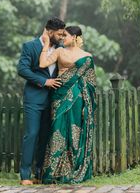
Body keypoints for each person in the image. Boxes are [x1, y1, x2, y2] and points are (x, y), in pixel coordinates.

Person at [39, 25, 97, 184]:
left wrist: (85, 99)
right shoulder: (59, 51)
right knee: (57, 129)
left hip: (77, 97)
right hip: (59, 95)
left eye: (66, 36)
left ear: (75, 38)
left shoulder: (87, 57)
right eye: (62, 36)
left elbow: (91, 83)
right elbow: (43, 64)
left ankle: (71, 170)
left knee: (74, 131)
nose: (63, 38)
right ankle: (54, 171)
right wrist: (45, 45)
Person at [17, 17, 65, 185]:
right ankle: (25, 175)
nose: (61, 37)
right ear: (49, 31)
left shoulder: (61, 49)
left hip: (53, 101)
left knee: (45, 137)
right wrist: (45, 81)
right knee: (32, 135)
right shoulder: (30, 46)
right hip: (34, 99)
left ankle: (39, 173)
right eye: (59, 34)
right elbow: (22, 70)